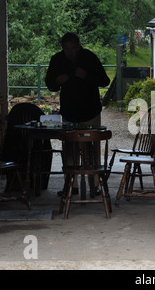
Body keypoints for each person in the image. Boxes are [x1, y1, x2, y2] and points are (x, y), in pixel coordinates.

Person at [46, 33, 110, 195]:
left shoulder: (89, 58)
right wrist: (57, 81)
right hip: (69, 112)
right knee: (70, 150)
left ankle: (94, 185)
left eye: (73, 48)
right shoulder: (57, 60)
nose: (70, 52)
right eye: (66, 49)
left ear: (78, 45)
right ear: (62, 48)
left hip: (90, 112)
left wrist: (86, 76)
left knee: (93, 150)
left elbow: (104, 81)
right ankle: (71, 186)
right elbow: (50, 84)